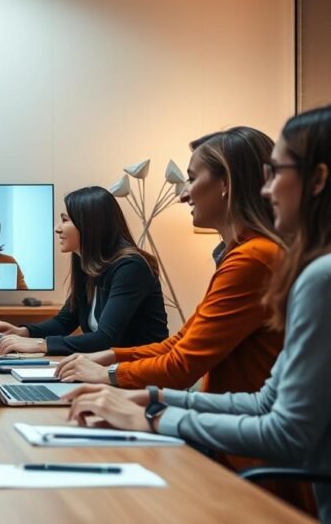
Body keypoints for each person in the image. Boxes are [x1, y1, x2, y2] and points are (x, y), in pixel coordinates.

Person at [62, 106, 331, 521]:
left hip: (250, 471)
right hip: (244, 451)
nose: (266, 189)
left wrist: (147, 409)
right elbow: (262, 401)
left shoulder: (270, 263)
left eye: (277, 173)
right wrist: (148, 395)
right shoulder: (261, 259)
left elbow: (189, 365)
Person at [53, 127, 283, 392]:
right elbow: (179, 343)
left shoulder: (252, 259)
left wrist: (109, 372)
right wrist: (113, 356)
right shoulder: (242, 254)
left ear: (225, 184)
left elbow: (182, 366)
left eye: (192, 179)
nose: (184, 195)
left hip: (240, 423)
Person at [0, 186, 168, 356]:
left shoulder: (132, 267)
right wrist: (22, 332)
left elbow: (105, 338)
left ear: (89, 225)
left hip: (140, 374)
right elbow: (65, 321)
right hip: (106, 369)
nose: (57, 228)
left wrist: (40, 345)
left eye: (65, 220)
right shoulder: (87, 263)